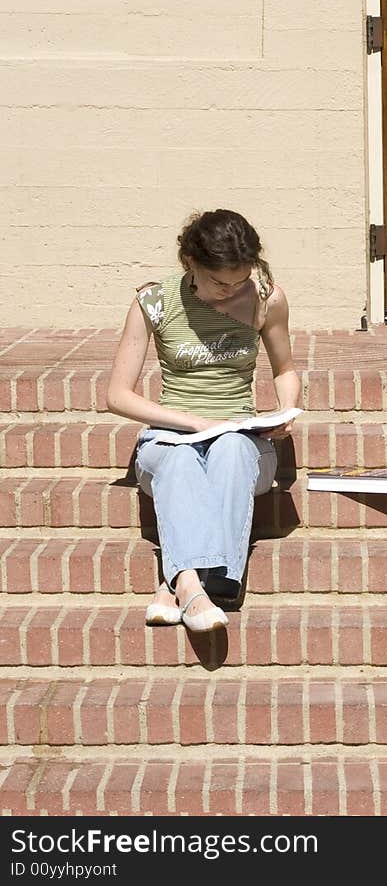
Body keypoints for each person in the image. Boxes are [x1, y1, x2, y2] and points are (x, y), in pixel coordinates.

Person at [107, 208, 301, 633]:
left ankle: (175, 584)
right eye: (218, 282)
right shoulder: (154, 302)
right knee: (178, 460)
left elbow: (285, 369)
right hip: (169, 438)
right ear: (190, 263)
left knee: (230, 450)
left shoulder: (267, 297)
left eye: (239, 282)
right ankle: (198, 587)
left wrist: (284, 410)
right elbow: (117, 395)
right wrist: (191, 423)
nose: (230, 292)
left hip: (241, 438)